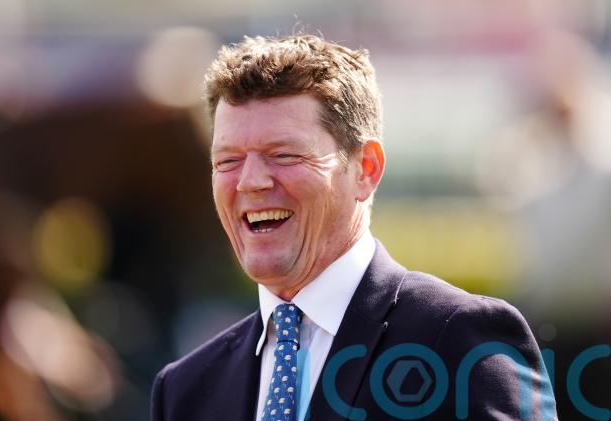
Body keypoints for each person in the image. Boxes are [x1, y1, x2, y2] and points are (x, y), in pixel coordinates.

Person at [151, 34, 557, 421]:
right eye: (227, 161)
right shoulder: (184, 389)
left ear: (366, 169)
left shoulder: (459, 339)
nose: (249, 181)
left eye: (284, 155)